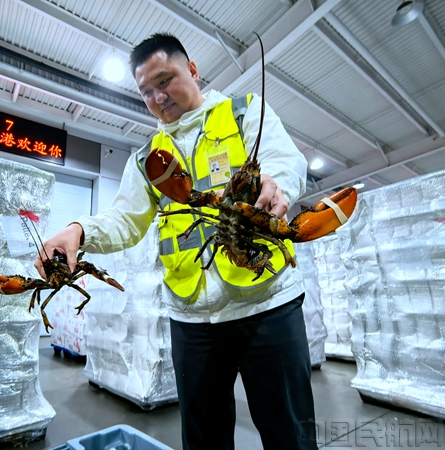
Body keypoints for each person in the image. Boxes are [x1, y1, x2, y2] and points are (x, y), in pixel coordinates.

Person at [36, 33, 317, 450]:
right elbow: (125, 219)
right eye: (146, 91)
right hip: (192, 318)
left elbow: (284, 161)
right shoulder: (148, 157)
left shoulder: (242, 111)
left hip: (266, 303)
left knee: (290, 436)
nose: (157, 97)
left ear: (193, 70)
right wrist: (78, 230)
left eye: (164, 81)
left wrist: (277, 185)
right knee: (203, 442)